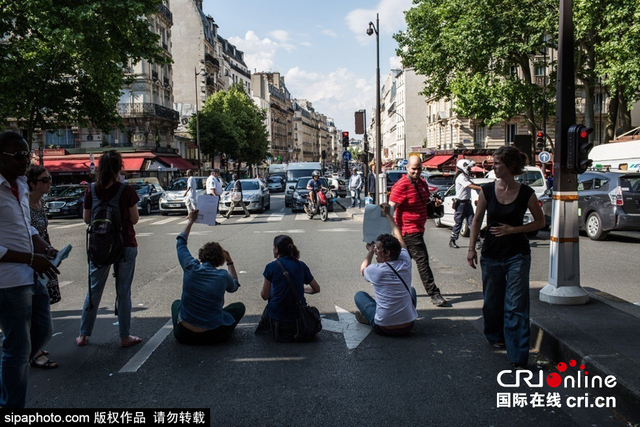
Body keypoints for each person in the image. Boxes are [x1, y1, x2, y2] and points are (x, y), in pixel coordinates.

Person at [467, 146, 545, 369]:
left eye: (498, 163)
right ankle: (495, 335)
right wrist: (471, 249)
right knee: (492, 303)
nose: (494, 167)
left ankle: (518, 355)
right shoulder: (487, 191)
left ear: (511, 166)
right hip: (491, 254)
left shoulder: (526, 193)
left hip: (517, 255)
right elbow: (476, 220)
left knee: (516, 306)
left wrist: (513, 230)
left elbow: (540, 223)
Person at [0, 131, 59, 408]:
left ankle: (11, 370)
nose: (26, 160)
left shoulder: (21, 184)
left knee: (42, 330)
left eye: (27, 154)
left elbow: (28, 226)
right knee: (17, 348)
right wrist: (28, 258)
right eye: (19, 155)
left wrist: (42, 247)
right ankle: (12, 406)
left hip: (29, 273)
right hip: (8, 281)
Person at [76, 150, 142, 348]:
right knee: (123, 291)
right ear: (119, 167)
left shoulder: (92, 189)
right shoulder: (126, 190)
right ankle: (124, 336)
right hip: (125, 243)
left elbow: (87, 219)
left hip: (100, 245)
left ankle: (83, 334)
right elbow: (134, 219)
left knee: (94, 289)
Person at [171, 209, 245, 345]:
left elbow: (180, 242)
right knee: (239, 307)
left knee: (176, 304)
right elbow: (234, 286)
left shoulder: (190, 267)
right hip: (213, 335)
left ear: (201, 255)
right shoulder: (222, 276)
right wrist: (230, 261)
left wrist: (190, 221)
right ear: (220, 260)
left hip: (184, 335)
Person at [389, 155, 446, 307]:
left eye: (419, 168)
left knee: (400, 264)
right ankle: (434, 294)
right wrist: (395, 232)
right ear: (407, 168)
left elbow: (425, 200)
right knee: (422, 262)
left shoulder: (421, 182)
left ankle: (394, 292)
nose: (416, 171)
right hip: (408, 231)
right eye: (414, 169)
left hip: (418, 229)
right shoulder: (401, 185)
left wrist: (435, 203)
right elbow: (390, 207)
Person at [355, 203, 418, 336]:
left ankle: (370, 319)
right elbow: (399, 237)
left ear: (387, 252)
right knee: (411, 290)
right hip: (408, 325)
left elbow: (362, 270)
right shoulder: (405, 260)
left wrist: (370, 252)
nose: (376, 251)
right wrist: (389, 215)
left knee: (359, 296)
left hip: (384, 327)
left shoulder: (376, 270)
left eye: (378, 248)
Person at [256, 235, 321, 342]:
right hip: (298, 319)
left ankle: (265, 327)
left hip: (279, 322)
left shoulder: (271, 267)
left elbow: (265, 296)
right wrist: (300, 288)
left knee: (273, 290)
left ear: (276, 249)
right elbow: (316, 288)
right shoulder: (301, 265)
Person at [27, 165, 60, 369]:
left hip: (42, 257)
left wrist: (51, 250)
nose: (49, 183)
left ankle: (34, 345)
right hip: (28, 260)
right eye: (44, 180)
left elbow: (43, 232)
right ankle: (34, 350)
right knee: (32, 309)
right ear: (32, 183)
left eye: (49, 178)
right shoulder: (23, 204)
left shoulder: (41, 202)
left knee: (41, 305)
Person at [450, 160, 482, 249]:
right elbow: (471, 186)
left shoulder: (465, 176)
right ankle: (452, 240)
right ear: (463, 167)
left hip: (467, 203)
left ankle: (478, 241)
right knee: (458, 223)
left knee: (473, 222)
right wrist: (482, 188)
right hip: (461, 204)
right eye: (468, 168)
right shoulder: (461, 177)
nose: (469, 169)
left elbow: (473, 184)